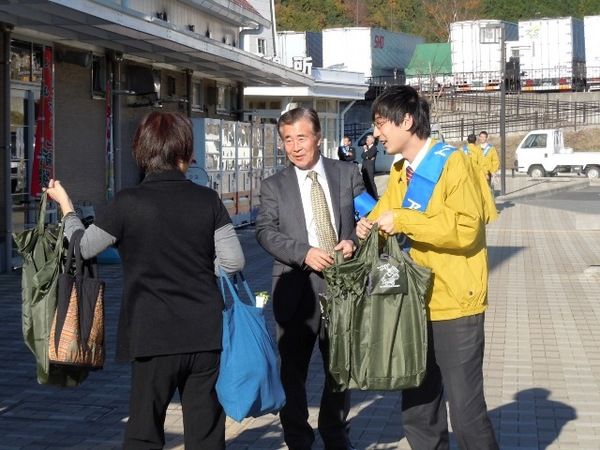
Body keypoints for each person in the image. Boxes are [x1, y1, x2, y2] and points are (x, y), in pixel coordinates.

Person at [46, 111, 244, 450]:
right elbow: (233, 261)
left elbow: (84, 247)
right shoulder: (208, 199)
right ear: (186, 151)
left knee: (144, 429)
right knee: (207, 432)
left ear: (142, 151)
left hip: (151, 333)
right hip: (205, 332)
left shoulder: (127, 202)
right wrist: (197, 265)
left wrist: (66, 208)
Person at [356, 86, 498, 450]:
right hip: (413, 304)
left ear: (407, 121)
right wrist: (361, 234)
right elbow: (384, 216)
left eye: (381, 123)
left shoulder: (453, 163)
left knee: (465, 412)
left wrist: (403, 220)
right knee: (418, 410)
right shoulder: (401, 170)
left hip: (455, 303)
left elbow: (466, 229)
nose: (377, 133)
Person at [256, 107, 363, 450]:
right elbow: (264, 232)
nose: (295, 147)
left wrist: (354, 241)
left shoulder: (348, 173)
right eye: (287, 140)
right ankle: (298, 439)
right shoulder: (273, 186)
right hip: (295, 288)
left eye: (301, 137)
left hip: (342, 287)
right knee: (292, 372)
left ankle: (335, 434)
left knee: (340, 368)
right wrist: (303, 252)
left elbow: (369, 219)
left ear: (317, 137)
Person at [360, 134, 378, 199]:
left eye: (368, 140)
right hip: (364, 168)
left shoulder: (374, 148)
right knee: (365, 182)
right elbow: (362, 156)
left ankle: (375, 196)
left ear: (371, 141)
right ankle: (368, 196)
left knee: (371, 182)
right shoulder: (367, 148)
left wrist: (366, 153)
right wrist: (366, 155)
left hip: (370, 168)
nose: (366, 141)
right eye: (366, 140)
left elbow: (369, 156)